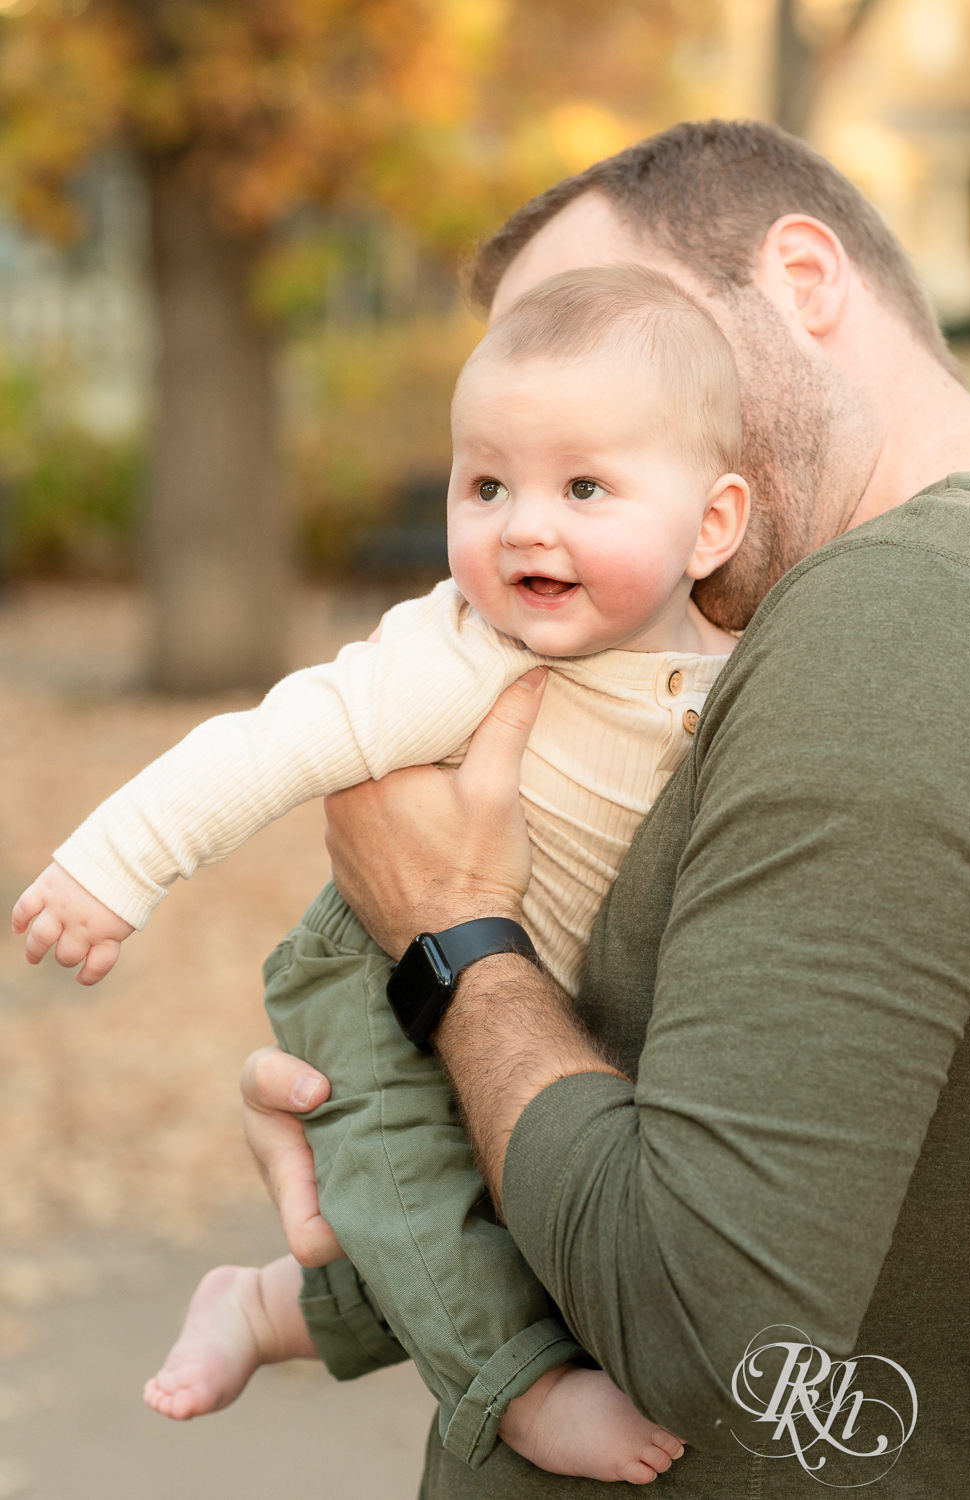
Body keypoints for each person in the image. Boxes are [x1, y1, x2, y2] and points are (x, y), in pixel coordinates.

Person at [240, 118, 970, 1497]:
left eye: (621, 332)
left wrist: (451, 948)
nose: (561, 446)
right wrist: (378, 1083)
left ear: (806, 280)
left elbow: (707, 1333)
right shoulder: (824, 651)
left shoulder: (885, 617)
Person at [14, 264, 753, 1482]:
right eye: (487, 484)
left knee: (496, 1202)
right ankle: (516, 1395)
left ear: (712, 525)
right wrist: (115, 864)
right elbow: (277, 740)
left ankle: (265, 1311)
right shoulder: (463, 658)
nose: (524, 524)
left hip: (522, 985)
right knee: (422, 1191)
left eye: (583, 486)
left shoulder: (742, 666)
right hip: (380, 975)